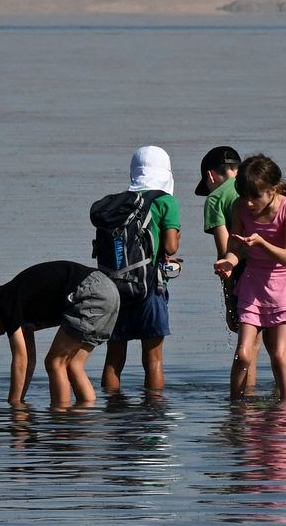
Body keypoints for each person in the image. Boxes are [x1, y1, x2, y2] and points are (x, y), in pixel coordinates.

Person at [0, 261, 120, 408]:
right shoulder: (20, 305)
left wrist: (14, 406)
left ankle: (60, 425)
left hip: (89, 292)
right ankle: (84, 420)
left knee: (54, 363)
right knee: (73, 366)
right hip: (108, 290)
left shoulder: (6, 303)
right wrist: (20, 400)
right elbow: (28, 361)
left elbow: (19, 359)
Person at [213, 154, 286, 400]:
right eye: (245, 196)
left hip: (284, 285)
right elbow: (234, 248)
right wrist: (229, 262)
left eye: (256, 197)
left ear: (273, 190)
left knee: (279, 354)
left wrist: (261, 242)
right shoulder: (239, 207)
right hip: (253, 285)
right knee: (244, 353)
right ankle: (235, 407)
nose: (250, 203)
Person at [101, 146, 183, 393]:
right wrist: (177, 236)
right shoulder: (166, 201)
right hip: (150, 288)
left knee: (114, 360)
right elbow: (169, 247)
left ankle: (114, 412)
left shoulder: (118, 203)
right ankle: (154, 418)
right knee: (153, 359)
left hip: (115, 288)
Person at [195, 144, 245, 337]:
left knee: (250, 339)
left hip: (249, 259)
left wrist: (229, 305)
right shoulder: (259, 185)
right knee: (278, 344)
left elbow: (225, 255)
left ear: (210, 176)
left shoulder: (215, 198)